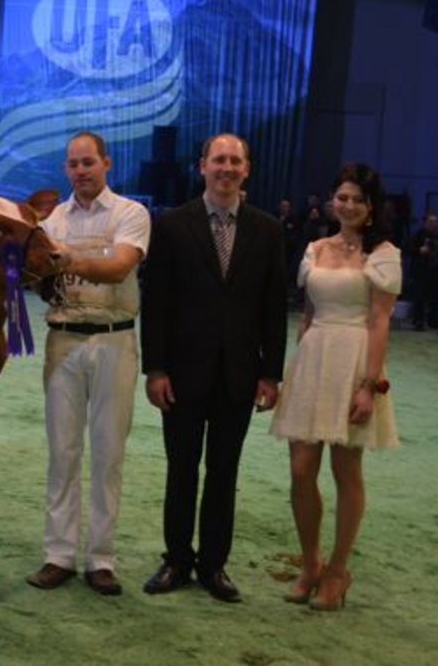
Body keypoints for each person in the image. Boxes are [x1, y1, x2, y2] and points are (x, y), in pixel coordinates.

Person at [140, 133, 287, 603]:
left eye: (235, 161)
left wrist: (272, 373)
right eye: (218, 159)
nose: (226, 167)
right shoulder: (170, 225)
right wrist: (155, 368)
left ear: (247, 170)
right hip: (181, 374)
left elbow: (272, 308)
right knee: (181, 468)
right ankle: (177, 559)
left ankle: (214, 565)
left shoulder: (267, 231)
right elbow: (156, 303)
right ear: (202, 165)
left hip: (240, 375)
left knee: (225, 472)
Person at [25, 132, 149, 597]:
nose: (81, 170)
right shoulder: (52, 219)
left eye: (89, 162)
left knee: (108, 452)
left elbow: (119, 266)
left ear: (107, 164)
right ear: (65, 170)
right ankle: (58, 554)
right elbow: (39, 272)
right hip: (64, 339)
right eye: (73, 164)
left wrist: (64, 259)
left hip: (115, 341)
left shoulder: (130, 214)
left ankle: (100, 558)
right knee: (63, 451)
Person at [271, 163, 399, 611]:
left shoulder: (382, 254)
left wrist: (369, 385)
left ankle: (339, 570)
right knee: (301, 469)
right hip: (313, 359)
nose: (347, 205)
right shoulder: (314, 248)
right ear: (332, 201)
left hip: (354, 362)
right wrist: (297, 367)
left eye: (357, 199)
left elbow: (380, 322)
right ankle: (310, 564)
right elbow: (307, 315)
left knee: (347, 471)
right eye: (341, 197)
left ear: (370, 207)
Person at [408, 213, 438, 331]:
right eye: (431, 222)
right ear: (425, 223)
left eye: (436, 222)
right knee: (419, 298)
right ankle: (418, 322)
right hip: (420, 272)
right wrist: (419, 250)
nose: (434, 224)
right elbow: (408, 249)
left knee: (434, 299)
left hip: (435, 273)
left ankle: (433, 323)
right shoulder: (418, 235)